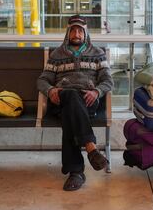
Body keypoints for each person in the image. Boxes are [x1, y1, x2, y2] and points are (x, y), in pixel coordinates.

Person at [37, 14, 113, 191]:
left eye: (80, 30)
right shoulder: (57, 55)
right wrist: (50, 90)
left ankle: (76, 172)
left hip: (88, 101)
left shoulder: (97, 54)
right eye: (73, 30)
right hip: (61, 98)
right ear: (68, 33)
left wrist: (96, 91)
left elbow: (108, 81)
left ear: (85, 33)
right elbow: (42, 80)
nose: (77, 33)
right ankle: (91, 148)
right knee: (70, 97)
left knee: (69, 113)